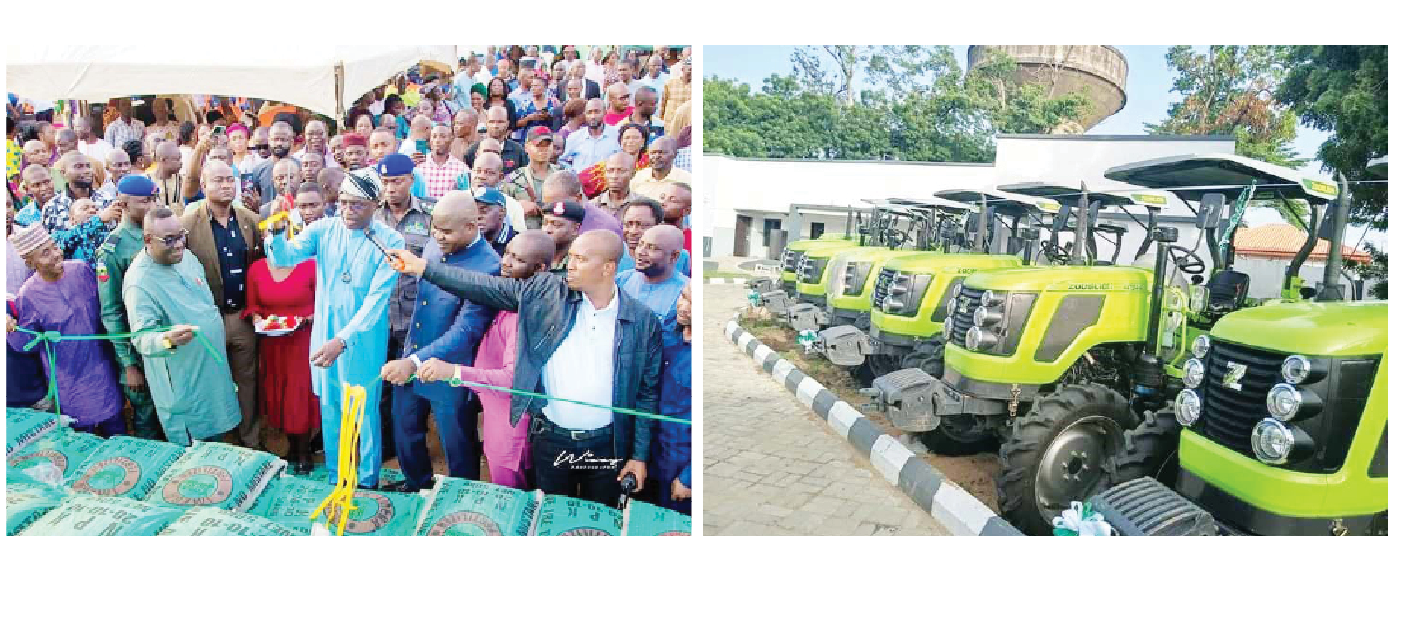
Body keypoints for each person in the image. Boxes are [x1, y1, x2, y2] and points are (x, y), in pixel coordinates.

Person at [390, 229, 658, 506]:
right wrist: (421, 267)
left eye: (581, 259)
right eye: (571, 257)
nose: (570, 265)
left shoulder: (642, 321)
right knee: (549, 513)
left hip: (606, 443)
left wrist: (638, 456)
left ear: (608, 268)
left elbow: (646, 395)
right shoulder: (548, 292)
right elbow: (483, 286)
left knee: (598, 516)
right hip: (551, 438)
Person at [264, 167, 405, 489]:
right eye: (342, 202)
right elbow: (286, 257)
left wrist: (343, 340)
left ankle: (367, 479)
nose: (347, 211)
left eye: (357, 204)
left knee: (364, 411)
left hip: (362, 340)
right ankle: (336, 475)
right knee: (329, 407)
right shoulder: (324, 229)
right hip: (325, 333)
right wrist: (276, 232)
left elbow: (375, 303)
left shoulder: (390, 240)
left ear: (375, 204)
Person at [380, 192, 499, 492]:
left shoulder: (488, 267)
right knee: (405, 427)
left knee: (456, 441)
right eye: (435, 228)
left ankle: (461, 497)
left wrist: (413, 361)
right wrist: (410, 356)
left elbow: (466, 331)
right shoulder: (435, 244)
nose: (438, 237)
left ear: (472, 227)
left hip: (451, 368)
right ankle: (416, 484)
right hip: (413, 354)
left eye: (446, 231)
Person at [416, 230, 553, 489]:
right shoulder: (510, 300)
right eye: (508, 253)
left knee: (509, 491)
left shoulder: (522, 318)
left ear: (540, 268)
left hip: (509, 424)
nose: (506, 262)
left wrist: (454, 372)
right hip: (497, 415)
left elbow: (512, 379)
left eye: (517, 259)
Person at [123, 207, 242, 445]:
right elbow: (142, 337)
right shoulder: (139, 282)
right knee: (195, 450)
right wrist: (167, 339)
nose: (178, 244)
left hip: (211, 372)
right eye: (169, 240)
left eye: (181, 235)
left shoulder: (185, 257)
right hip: (183, 382)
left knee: (218, 439)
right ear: (148, 240)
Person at [6, 224, 124, 436]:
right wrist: (10, 328)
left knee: (115, 427)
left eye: (55, 247)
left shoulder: (81, 270)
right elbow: (25, 343)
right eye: (45, 253)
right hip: (69, 380)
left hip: (102, 369)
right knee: (82, 438)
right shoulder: (29, 295)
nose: (56, 255)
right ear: (29, 263)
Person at [180, 160, 265, 448]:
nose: (227, 185)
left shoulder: (249, 219)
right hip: (208, 319)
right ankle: (221, 446)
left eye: (230, 179)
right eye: (218, 180)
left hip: (242, 317)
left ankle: (250, 442)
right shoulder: (188, 223)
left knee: (248, 383)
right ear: (203, 186)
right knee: (213, 384)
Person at [244, 187, 321, 473]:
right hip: (273, 344)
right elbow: (252, 307)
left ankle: (304, 452)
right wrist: (258, 321)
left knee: (300, 397)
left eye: (283, 230)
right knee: (280, 396)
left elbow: (323, 306)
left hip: (303, 343)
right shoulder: (257, 270)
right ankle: (290, 448)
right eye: (270, 231)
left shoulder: (309, 266)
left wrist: (306, 319)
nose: (276, 237)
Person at [95, 175, 165, 440]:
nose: (151, 206)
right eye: (144, 201)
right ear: (122, 204)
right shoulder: (113, 249)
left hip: (165, 343)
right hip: (137, 351)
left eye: (154, 199)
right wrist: (128, 365)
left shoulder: (159, 235)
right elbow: (111, 312)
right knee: (146, 415)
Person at [651, 280, 691, 514]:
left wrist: (689, 478)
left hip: (680, 463)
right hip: (654, 453)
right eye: (682, 297)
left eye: (693, 303)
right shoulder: (667, 330)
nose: (683, 306)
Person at [615, 224, 688, 319]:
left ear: (673, 256)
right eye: (640, 244)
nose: (641, 252)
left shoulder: (686, 292)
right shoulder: (621, 281)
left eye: (652, 248)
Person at [502, 127, 564, 227]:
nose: (543, 149)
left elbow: (579, 205)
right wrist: (517, 208)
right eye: (538, 145)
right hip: (525, 235)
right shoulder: (514, 179)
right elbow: (499, 211)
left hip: (557, 233)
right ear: (526, 147)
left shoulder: (563, 176)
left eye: (547, 145)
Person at [617, 197, 691, 276]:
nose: (633, 231)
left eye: (642, 225)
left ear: (658, 226)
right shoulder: (612, 254)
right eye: (628, 224)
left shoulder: (679, 256)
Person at [579, 123, 648, 201]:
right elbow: (581, 181)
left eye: (635, 138)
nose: (631, 141)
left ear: (643, 142)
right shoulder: (605, 166)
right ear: (621, 142)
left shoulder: (649, 165)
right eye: (627, 138)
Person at [470, 151, 530, 233]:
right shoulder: (459, 200)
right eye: (477, 171)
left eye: (489, 173)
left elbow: (519, 237)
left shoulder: (512, 206)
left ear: (500, 177)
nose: (481, 176)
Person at [412, 124, 472, 201]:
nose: (437, 140)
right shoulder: (418, 165)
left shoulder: (461, 169)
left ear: (451, 140)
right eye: (434, 136)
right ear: (430, 140)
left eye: (443, 137)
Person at [562, 99, 621, 174]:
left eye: (597, 112)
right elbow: (562, 160)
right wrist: (573, 172)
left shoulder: (616, 135)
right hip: (581, 183)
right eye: (589, 112)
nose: (593, 116)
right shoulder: (574, 138)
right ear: (585, 114)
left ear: (605, 112)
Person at [465, 107, 528, 173]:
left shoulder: (518, 151)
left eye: (500, 122)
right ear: (486, 123)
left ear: (507, 124)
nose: (495, 126)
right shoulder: (473, 150)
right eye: (492, 122)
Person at [251, 121, 296, 202]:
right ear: (269, 141)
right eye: (275, 139)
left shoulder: (300, 167)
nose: (279, 143)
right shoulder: (258, 170)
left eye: (283, 140)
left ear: (291, 142)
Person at [540, 200, 585, 276]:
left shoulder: (581, 263)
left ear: (575, 229)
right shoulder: (534, 256)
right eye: (545, 223)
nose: (547, 229)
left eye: (556, 224)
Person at [474, 187, 516, 256]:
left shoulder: (517, 243)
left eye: (484, 211)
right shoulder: (469, 241)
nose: (477, 216)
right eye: (474, 211)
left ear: (502, 212)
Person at [660, 56, 692, 128]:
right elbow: (663, 104)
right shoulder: (670, 83)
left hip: (688, 125)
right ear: (682, 69)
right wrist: (661, 120)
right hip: (670, 124)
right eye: (690, 70)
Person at [662, 181, 693, 251]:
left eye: (672, 200)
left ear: (687, 211)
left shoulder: (690, 240)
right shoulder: (646, 233)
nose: (663, 203)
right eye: (662, 197)